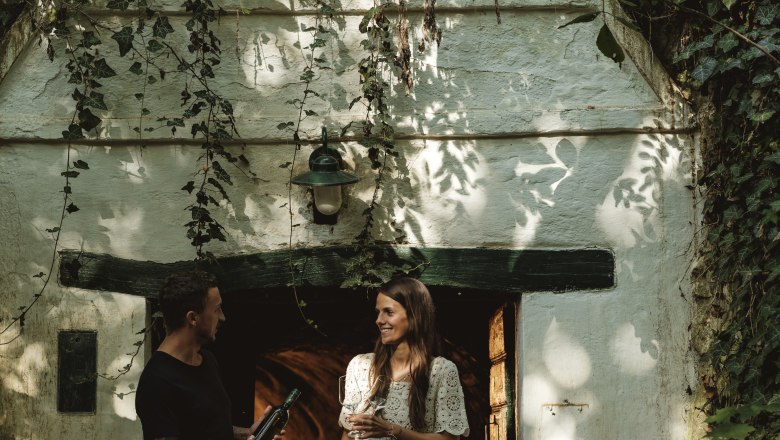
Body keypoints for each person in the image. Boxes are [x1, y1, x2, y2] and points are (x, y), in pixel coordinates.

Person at [135, 270, 281, 440]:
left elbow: (208, 429)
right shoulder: (157, 382)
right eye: (217, 309)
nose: (223, 317)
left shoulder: (207, 360)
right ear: (193, 318)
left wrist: (247, 434)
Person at [338, 277, 469, 439]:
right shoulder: (360, 366)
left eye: (388, 312)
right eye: (378, 312)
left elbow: (449, 439)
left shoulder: (441, 371)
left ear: (415, 315)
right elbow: (348, 433)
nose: (379, 320)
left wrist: (393, 430)